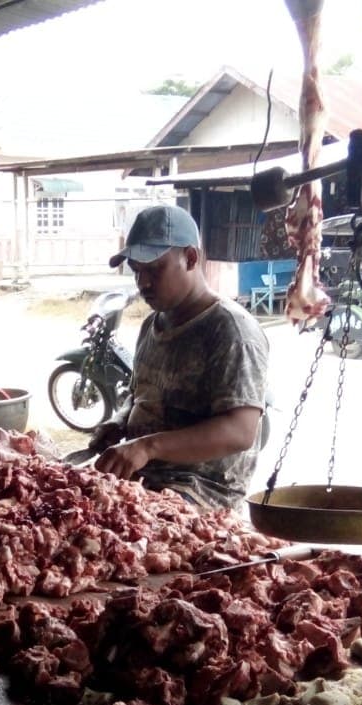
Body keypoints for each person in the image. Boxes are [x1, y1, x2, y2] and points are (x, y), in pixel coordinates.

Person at [93, 204, 269, 512]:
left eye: (154, 269)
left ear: (190, 258)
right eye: (137, 271)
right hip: (145, 480)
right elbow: (140, 395)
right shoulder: (152, 325)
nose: (143, 283)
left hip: (200, 493)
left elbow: (241, 432)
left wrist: (147, 446)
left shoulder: (231, 330)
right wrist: (119, 422)